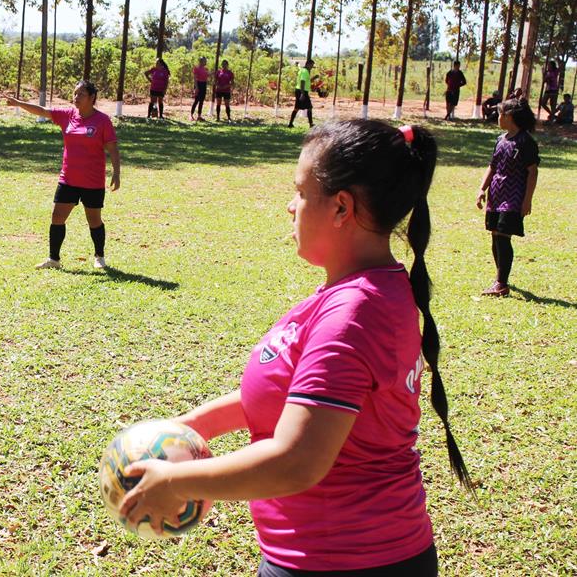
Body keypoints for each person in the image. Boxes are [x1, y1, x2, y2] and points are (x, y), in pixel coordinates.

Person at [120, 120, 472, 576]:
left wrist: (176, 480)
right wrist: (194, 425)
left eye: (301, 193)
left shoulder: (355, 313)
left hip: (347, 563)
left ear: (342, 208)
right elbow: (292, 396)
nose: (291, 206)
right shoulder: (363, 291)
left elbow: (297, 460)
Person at [6, 80, 120, 270]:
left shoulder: (102, 121)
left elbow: (112, 148)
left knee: (94, 220)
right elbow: (42, 111)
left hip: (92, 181)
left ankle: (99, 257)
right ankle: (54, 259)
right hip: (68, 179)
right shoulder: (67, 115)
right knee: (57, 216)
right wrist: (19, 104)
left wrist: (116, 172)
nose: (76, 97)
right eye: (75, 93)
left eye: (81, 94)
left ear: (92, 98)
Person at [475, 98, 539, 297]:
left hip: (513, 197)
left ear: (510, 117)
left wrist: (527, 200)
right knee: (495, 236)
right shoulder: (501, 139)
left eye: (500, 113)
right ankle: (500, 278)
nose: (498, 117)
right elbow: (492, 166)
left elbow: (532, 172)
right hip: (496, 195)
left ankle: (501, 284)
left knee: (503, 238)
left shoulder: (526, 142)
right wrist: (481, 189)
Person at [289, 59, 316, 128]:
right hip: (302, 91)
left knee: (297, 108)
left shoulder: (302, 70)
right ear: (307, 64)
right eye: (311, 65)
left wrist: (314, 78)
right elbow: (302, 82)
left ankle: (290, 124)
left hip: (300, 90)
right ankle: (311, 124)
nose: (311, 67)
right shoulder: (305, 71)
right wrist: (302, 94)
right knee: (309, 107)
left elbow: (307, 81)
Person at [191, 56, 210, 121]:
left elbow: (208, 76)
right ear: (201, 61)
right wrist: (196, 87)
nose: (206, 62)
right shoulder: (196, 68)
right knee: (196, 100)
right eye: (204, 61)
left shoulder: (206, 69)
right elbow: (195, 78)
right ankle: (191, 115)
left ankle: (199, 116)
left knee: (201, 101)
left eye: (206, 60)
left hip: (204, 85)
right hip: (198, 84)